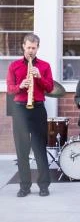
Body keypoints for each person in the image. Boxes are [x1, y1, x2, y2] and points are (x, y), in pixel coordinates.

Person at [6, 33, 54, 197]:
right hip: (19, 109)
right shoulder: (14, 66)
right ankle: (24, 186)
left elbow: (50, 88)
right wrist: (20, 86)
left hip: (38, 108)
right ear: (23, 47)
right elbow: (10, 89)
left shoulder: (45, 66)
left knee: (40, 147)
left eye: (34, 48)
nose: (31, 51)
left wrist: (39, 77)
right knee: (22, 149)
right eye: (28, 48)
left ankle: (44, 185)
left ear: (37, 48)